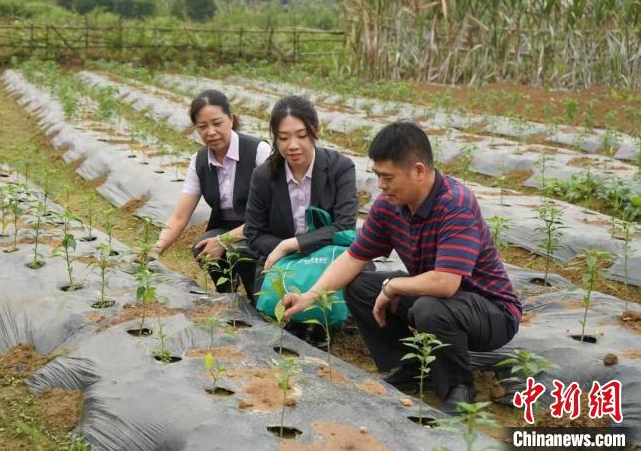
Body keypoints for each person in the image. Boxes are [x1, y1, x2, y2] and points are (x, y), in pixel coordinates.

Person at [282, 120, 521, 414]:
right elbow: (353, 258)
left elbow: (446, 283)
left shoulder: (455, 204)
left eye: (387, 177)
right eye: (377, 176)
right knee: (360, 285)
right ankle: (408, 366)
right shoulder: (389, 206)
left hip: (490, 311)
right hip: (439, 298)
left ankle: (458, 387)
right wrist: (311, 296)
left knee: (428, 308)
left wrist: (393, 286)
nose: (380, 185)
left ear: (418, 171)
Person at [155, 89, 271, 297]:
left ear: (231, 120)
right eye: (202, 127)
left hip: (264, 228)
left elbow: (270, 212)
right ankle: (227, 294)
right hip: (228, 226)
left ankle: (258, 296)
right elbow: (180, 217)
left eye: (217, 123)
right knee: (202, 247)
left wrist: (224, 240)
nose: (210, 132)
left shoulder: (259, 152)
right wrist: (154, 250)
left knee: (239, 253)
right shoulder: (199, 161)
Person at [244, 95, 359, 304]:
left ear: (316, 131)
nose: (292, 146)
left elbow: (344, 226)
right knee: (277, 307)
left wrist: (293, 244)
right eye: (283, 137)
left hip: (329, 257)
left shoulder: (340, 168)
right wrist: (286, 250)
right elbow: (253, 233)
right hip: (283, 259)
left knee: (328, 305)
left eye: (301, 135)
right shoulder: (264, 176)